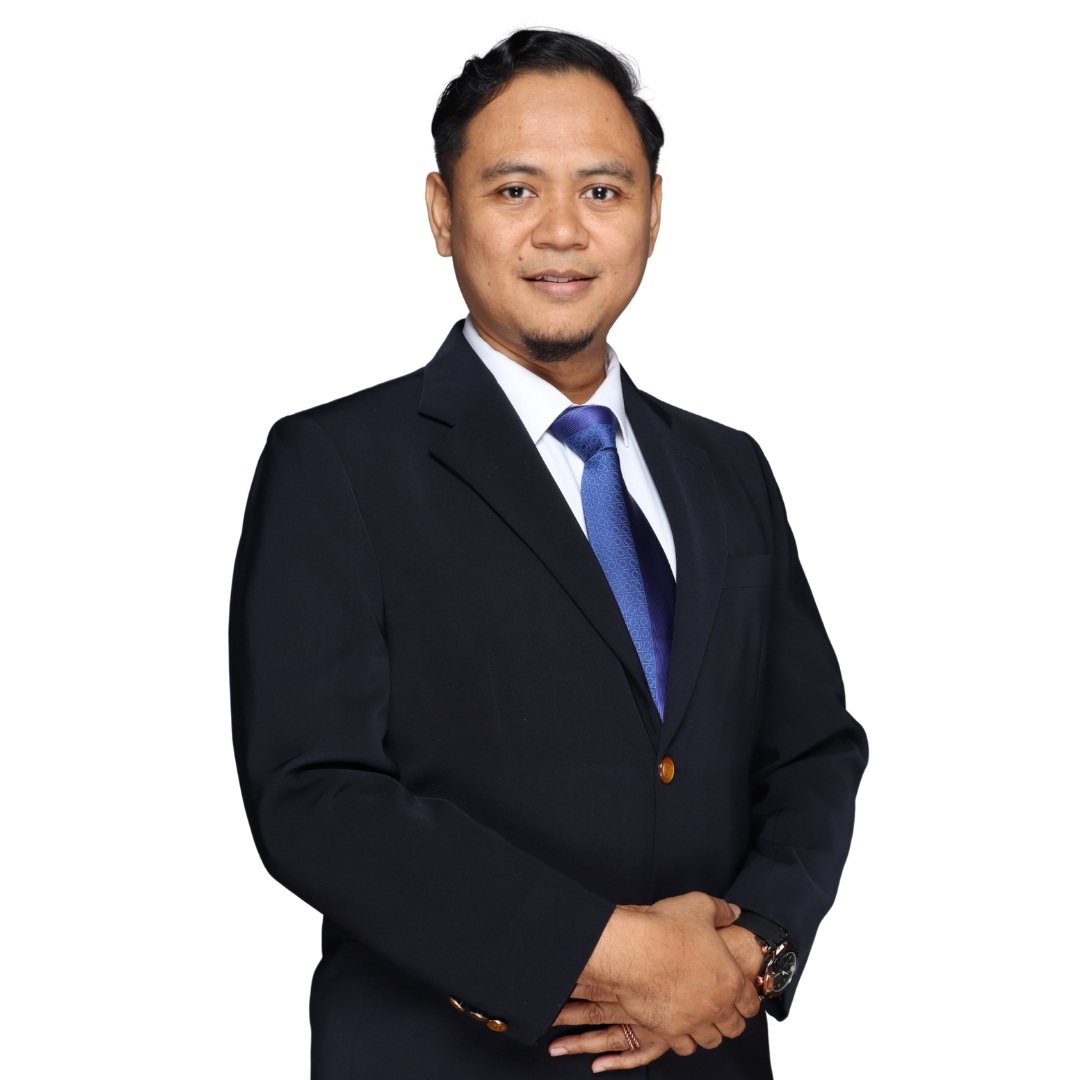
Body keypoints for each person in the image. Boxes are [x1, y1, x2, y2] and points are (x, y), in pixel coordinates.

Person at [230, 28, 868, 1079]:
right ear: (443, 212)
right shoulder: (335, 463)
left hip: (710, 1053)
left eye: (603, 192)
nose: (562, 232)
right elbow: (315, 794)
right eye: (515, 190)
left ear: (654, 213)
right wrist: (598, 952)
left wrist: (753, 952)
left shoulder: (727, 469)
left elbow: (811, 751)